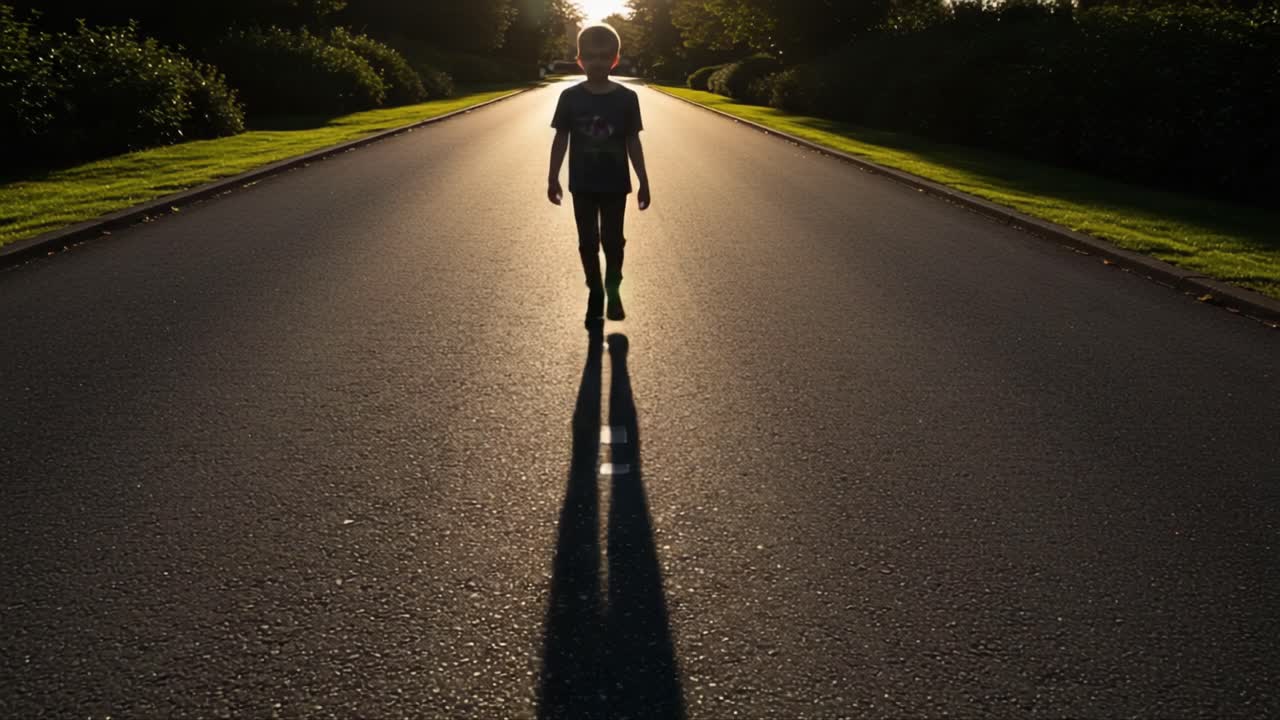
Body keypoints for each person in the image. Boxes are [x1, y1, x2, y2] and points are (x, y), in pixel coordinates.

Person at [547, 23, 651, 329]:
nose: (598, 62)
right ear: (579, 59)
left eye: (605, 56)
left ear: (615, 59)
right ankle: (594, 289)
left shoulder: (627, 98)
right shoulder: (569, 98)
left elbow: (633, 140)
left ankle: (613, 289)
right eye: (591, 56)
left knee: (613, 241)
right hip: (582, 183)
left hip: (615, 184)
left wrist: (644, 180)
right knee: (587, 241)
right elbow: (560, 139)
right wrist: (552, 177)